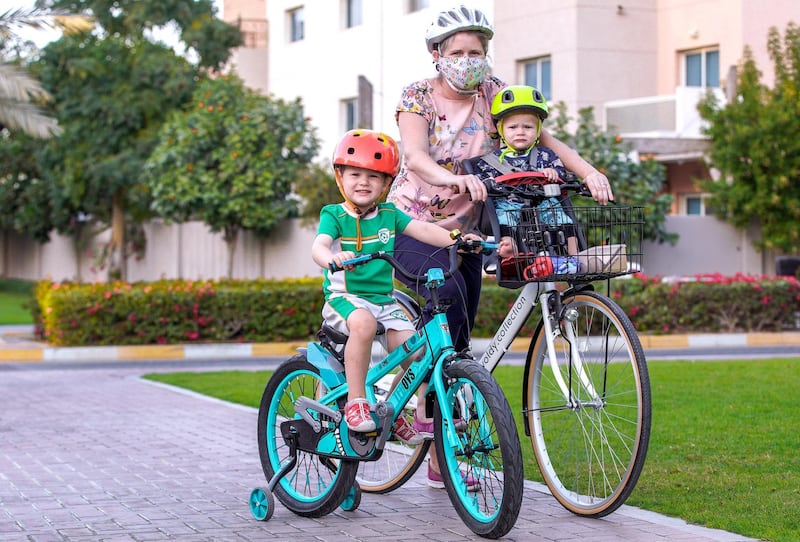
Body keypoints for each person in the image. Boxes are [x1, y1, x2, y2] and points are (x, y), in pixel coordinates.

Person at [386, 4, 613, 487]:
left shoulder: (493, 92)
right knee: (443, 307)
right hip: (416, 221)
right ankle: (421, 415)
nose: (469, 60)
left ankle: (440, 450)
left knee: (462, 339)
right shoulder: (418, 96)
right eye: (459, 52)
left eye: (478, 52)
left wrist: (588, 171)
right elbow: (415, 157)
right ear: (437, 54)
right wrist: (455, 180)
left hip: (471, 229)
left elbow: (546, 141)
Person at [311, 129, 477, 445]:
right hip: (344, 299)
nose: (363, 182)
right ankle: (357, 403)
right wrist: (330, 258)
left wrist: (461, 240)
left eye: (373, 177)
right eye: (355, 174)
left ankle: (390, 409)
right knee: (363, 322)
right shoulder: (334, 214)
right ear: (340, 177)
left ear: (387, 184)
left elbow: (425, 231)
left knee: (418, 353)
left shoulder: (389, 215)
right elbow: (319, 245)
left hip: (384, 302)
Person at [469, 84, 579, 275]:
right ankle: (509, 249)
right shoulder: (491, 161)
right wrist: (489, 184)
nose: (520, 132)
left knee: (563, 219)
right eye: (513, 127)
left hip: (542, 203)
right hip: (509, 204)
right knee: (505, 221)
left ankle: (575, 259)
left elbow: (562, 174)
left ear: (537, 131)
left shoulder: (546, 155)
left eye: (527, 127)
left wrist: (553, 174)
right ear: (501, 129)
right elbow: (482, 180)